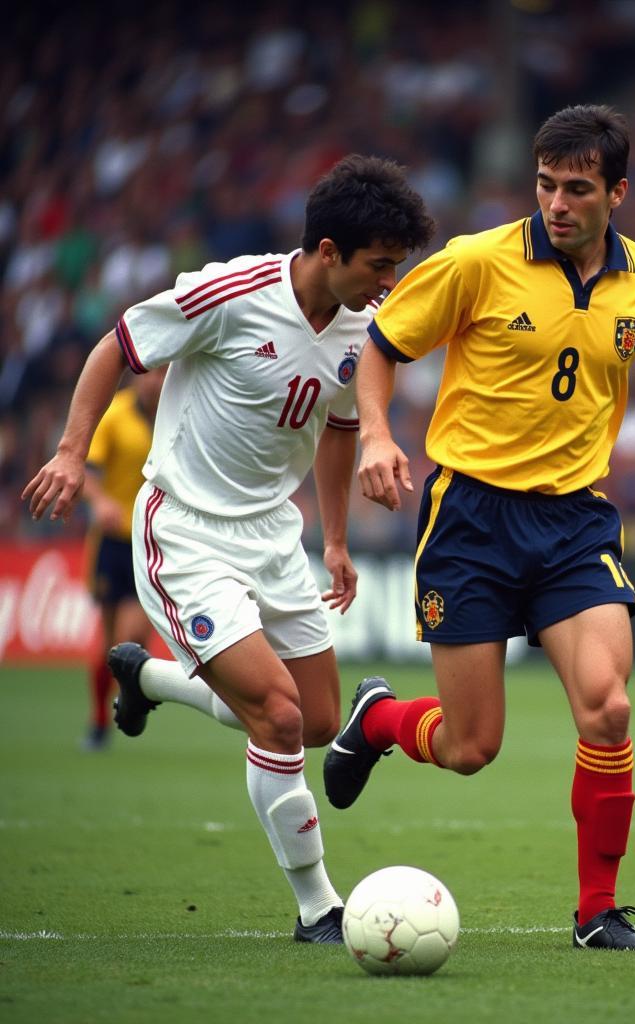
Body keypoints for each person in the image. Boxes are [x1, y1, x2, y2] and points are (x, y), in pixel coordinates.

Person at [323, 105, 635, 953]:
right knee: (472, 748)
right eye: (546, 185)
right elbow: (385, 344)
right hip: (470, 517)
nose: (557, 203)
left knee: (609, 709)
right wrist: (378, 434)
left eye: (578, 188)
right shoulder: (477, 262)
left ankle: (597, 913)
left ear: (617, 192)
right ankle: (379, 719)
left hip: (575, 524)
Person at [23, 155, 435, 943]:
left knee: (315, 720)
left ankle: (146, 678)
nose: (388, 284)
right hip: (185, 530)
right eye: (378, 265)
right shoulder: (231, 293)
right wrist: (72, 452)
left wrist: (338, 539)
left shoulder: (363, 332)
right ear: (327, 252)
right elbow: (117, 345)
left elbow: (339, 429)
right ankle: (319, 907)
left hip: (275, 537)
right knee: (277, 718)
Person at [79, 367, 166, 751]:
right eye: (150, 373)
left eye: (164, 373)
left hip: (155, 541)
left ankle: (128, 697)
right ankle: (99, 720)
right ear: (136, 377)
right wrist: (99, 503)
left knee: (133, 637)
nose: (156, 381)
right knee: (109, 645)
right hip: (113, 542)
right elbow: (87, 470)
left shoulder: (179, 412)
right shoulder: (114, 415)